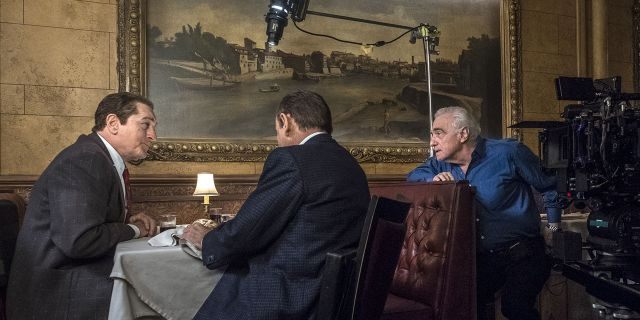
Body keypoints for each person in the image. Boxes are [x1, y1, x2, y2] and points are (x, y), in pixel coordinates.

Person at [182, 90, 370, 320]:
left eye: (276, 131)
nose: (277, 139)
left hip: (286, 297)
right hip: (336, 298)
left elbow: (247, 230)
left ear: (285, 121)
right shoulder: (352, 166)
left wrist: (205, 239)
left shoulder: (291, 159)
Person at [7, 92, 159, 320]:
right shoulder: (86, 159)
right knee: (158, 296)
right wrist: (135, 230)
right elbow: (80, 240)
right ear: (113, 123)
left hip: (70, 277)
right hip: (59, 290)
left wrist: (127, 223)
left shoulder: (98, 156)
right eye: (145, 125)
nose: (153, 136)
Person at [407, 106, 562, 320]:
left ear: (463, 134)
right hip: (482, 258)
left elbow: (549, 185)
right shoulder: (440, 163)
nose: (432, 141)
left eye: (438, 133)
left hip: (524, 253)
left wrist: (554, 227)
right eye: (432, 135)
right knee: (461, 303)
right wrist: (432, 180)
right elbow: (413, 176)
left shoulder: (508, 152)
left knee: (515, 306)